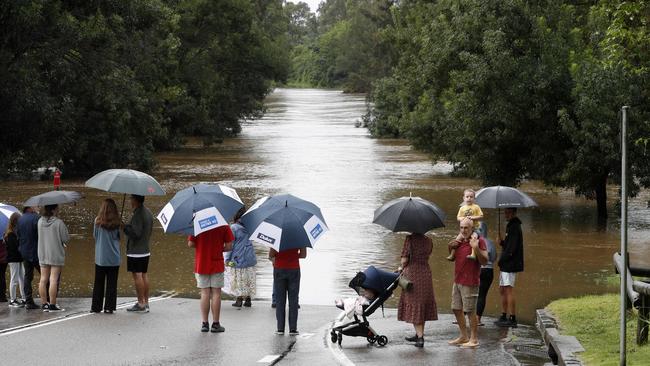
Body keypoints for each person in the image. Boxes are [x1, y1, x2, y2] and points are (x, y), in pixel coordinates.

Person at [447, 218, 488, 349]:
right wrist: (450, 247)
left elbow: (485, 261)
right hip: (458, 280)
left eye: (466, 228)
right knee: (456, 308)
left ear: (472, 228)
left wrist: (475, 248)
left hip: (470, 282)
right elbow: (452, 258)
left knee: (470, 311)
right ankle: (463, 336)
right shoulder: (459, 241)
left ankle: (474, 339)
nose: (463, 230)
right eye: (461, 228)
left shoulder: (478, 241)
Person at [188, 226, 234, 332]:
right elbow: (229, 246)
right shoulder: (223, 224)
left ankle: (205, 324)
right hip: (216, 262)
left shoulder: (197, 224)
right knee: (216, 294)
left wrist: (202, 247)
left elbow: (190, 243)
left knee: (204, 293)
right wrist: (218, 247)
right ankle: (216, 324)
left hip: (201, 263)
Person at [397, 232, 438, 348]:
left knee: (415, 304)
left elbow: (404, 260)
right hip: (425, 273)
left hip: (413, 274)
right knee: (421, 305)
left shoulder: (409, 239)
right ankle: (418, 334)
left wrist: (401, 267)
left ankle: (420, 338)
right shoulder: (429, 240)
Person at [123, 194, 153, 313]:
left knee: (137, 276)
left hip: (136, 251)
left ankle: (141, 303)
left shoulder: (138, 214)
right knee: (144, 275)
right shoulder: (148, 212)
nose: (130, 200)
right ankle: (145, 302)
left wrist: (124, 227)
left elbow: (136, 234)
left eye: (131, 198)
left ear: (135, 200)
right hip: (145, 250)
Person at [91, 199, 122, 314]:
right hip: (114, 258)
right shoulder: (117, 222)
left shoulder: (97, 221)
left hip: (101, 257)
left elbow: (95, 236)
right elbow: (118, 238)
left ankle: (96, 307)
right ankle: (109, 307)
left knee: (98, 283)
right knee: (112, 284)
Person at [37, 204, 70, 312]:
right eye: (57, 208)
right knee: (53, 279)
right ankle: (52, 304)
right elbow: (66, 239)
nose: (59, 209)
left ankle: (44, 304)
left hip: (42, 253)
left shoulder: (40, 221)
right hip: (55, 254)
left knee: (43, 279)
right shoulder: (59, 222)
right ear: (54, 209)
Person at [495, 207, 524, 328]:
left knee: (508, 289)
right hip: (506, 264)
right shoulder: (510, 226)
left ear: (514, 213)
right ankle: (503, 315)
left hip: (510, 264)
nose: (506, 214)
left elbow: (512, 249)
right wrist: (501, 242)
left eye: (508, 212)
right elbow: (509, 245)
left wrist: (501, 260)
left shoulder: (514, 227)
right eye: (505, 212)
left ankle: (512, 318)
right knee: (502, 289)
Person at [269, 247, 307, 335]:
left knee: (280, 300)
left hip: (279, 268)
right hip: (294, 269)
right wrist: (293, 256)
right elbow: (303, 255)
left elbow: (271, 255)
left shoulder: (277, 237)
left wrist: (279, 257)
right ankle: (293, 329)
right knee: (293, 300)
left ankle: (280, 329)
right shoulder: (300, 237)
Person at [226, 207, 257, 308]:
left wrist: (227, 259)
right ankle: (248, 299)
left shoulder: (233, 227)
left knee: (238, 278)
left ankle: (239, 299)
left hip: (237, 257)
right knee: (248, 276)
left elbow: (230, 245)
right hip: (250, 256)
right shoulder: (251, 226)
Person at [16, 206, 41, 309]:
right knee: (45, 276)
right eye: (36, 206)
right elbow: (41, 235)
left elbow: (18, 235)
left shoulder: (20, 219)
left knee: (28, 276)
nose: (38, 207)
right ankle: (48, 299)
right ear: (31, 208)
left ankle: (29, 301)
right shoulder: (37, 218)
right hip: (37, 252)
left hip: (24, 252)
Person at [449, 189, 484, 261]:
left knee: (474, 238)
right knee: (457, 240)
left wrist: (472, 217)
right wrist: (464, 218)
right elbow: (458, 218)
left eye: (471, 197)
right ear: (464, 198)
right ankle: (452, 254)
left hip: (474, 228)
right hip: (465, 229)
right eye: (467, 196)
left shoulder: (476, 207)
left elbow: (481, 216)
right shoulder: (462, 208)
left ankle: (473, 254)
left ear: (474, 198)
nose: (469, 198)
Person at [476, 222, 497, 326]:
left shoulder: (474, 241)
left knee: (470, 293)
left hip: (477, 269)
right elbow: (493, 258)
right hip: (488, 270)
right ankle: (478, 319)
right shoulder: (491, 243)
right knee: (482, 295)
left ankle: (462, 316)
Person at [5, 212, 26, 307]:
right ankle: (12, 300)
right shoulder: (10, 234)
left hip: (19, 258)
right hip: (13, 259)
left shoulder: (16, 231)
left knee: (22, 278)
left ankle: (24, 298)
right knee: (14, 279)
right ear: (15, 221)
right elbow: (14, 247)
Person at [0, 233, 7, 302]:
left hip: (3, 258)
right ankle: (2, 296)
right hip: (4, 258)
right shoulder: (5, 222)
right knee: (2, 276)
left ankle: (2, 296)